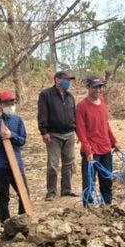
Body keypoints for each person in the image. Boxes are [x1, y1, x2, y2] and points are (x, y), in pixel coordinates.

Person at [75, 76, 120, 206]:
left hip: (105, 147)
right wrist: (88, 151)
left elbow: (105, 124)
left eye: (100, 87)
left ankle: (107, 205)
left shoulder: (103, 101)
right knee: (89, 180)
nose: (98, 90)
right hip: (91, 150)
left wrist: (114, 141)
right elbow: (81, 130)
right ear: (88, 87)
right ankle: (88, 206)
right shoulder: (81, 106)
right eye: (95, 87)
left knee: (106, 178)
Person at [0, 90, 28, 224]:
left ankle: (22, 221)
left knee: (24, 193)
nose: (10, 105)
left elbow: (22, 140)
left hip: (16, 162)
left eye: (12, 102)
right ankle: (6, 224)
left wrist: (12, 135)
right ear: (0, 105)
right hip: (0, 164)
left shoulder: (17, 119)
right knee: (3, 197)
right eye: (7, 103)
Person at [37, 71, 78, 201]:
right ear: (57, 80)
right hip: (53, 135)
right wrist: (44, 132)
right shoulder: (46, 95)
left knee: (69, 163)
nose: (68, 82)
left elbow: (74, 114)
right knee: (53, 165)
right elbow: (42, 114)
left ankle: (66, 189)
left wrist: (76, 131)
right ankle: (51, 191)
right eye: (66, 79)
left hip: (69, 134)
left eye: (70, 80)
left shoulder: (70, 96)